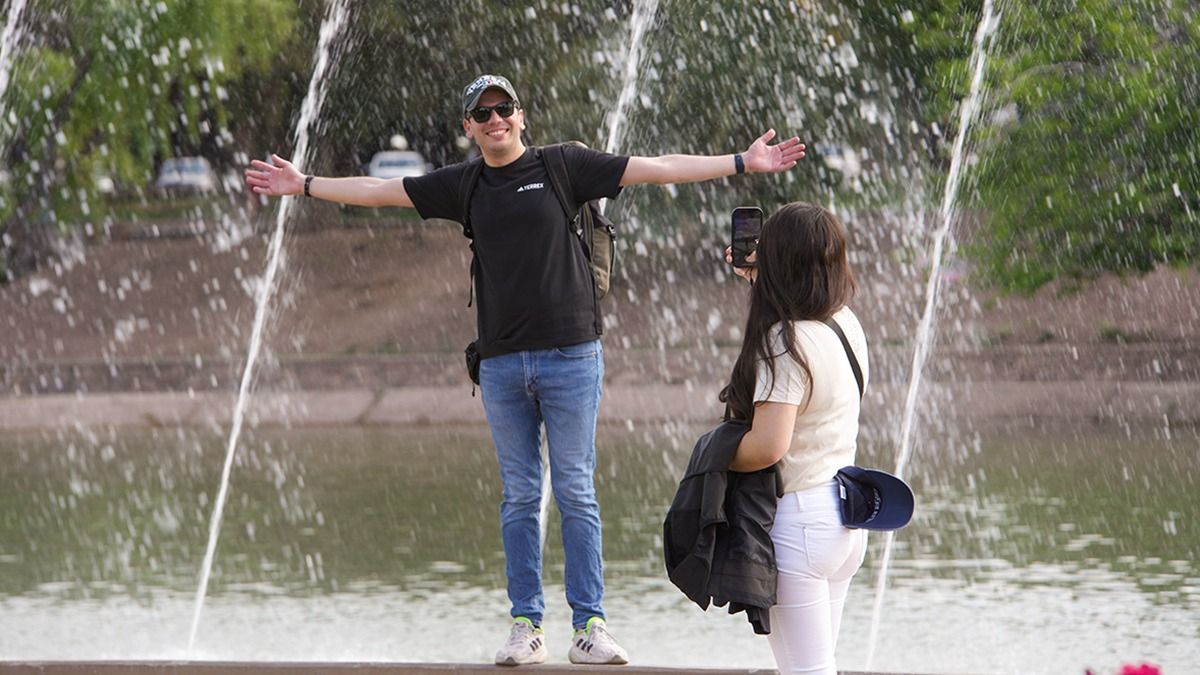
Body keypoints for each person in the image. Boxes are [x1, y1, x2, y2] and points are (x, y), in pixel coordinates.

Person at [245, 73, 807, 666]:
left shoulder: (564, 165)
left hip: (572, 359)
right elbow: (381, 190)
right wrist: (304, 184)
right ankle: (525, 626)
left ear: (521, 114)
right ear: (468, 128)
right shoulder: (465, 185)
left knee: (577, 492)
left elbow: (658, 167)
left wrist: (742, 163)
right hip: (503, 367)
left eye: (503, 109)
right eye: (481, 114)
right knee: (518, 497)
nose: (495, 121)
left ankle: (590, 625)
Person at [720, 202, 867, 675]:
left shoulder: (783, 344)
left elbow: (768, 446)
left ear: (780, 262)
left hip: (799, 522)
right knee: (818, 666)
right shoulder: (844, 322)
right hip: (844, 517)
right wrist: (759, 281)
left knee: (806, 673)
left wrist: (714, 457)